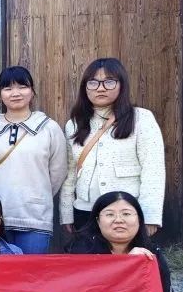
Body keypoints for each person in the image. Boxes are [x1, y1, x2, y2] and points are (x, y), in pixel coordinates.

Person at [60, 58, 165, 235]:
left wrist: (150, 216)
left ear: (121, 85)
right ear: (85, 87)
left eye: (109, 82)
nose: (100, 88)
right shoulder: (74, 124)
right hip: (85, 211)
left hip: (125, 212)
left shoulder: (141, 118)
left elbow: (153, 169)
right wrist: (67, 213)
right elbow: (70, 173)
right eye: (93, 82)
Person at [0, 66, 67, 254]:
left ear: (32, 91)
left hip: (35, 217)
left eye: (22, 87)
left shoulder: (48, 128)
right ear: (0, 94)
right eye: (8, 88)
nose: (15, 93)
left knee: (30, 271)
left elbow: (58, 172)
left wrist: (37, 194)